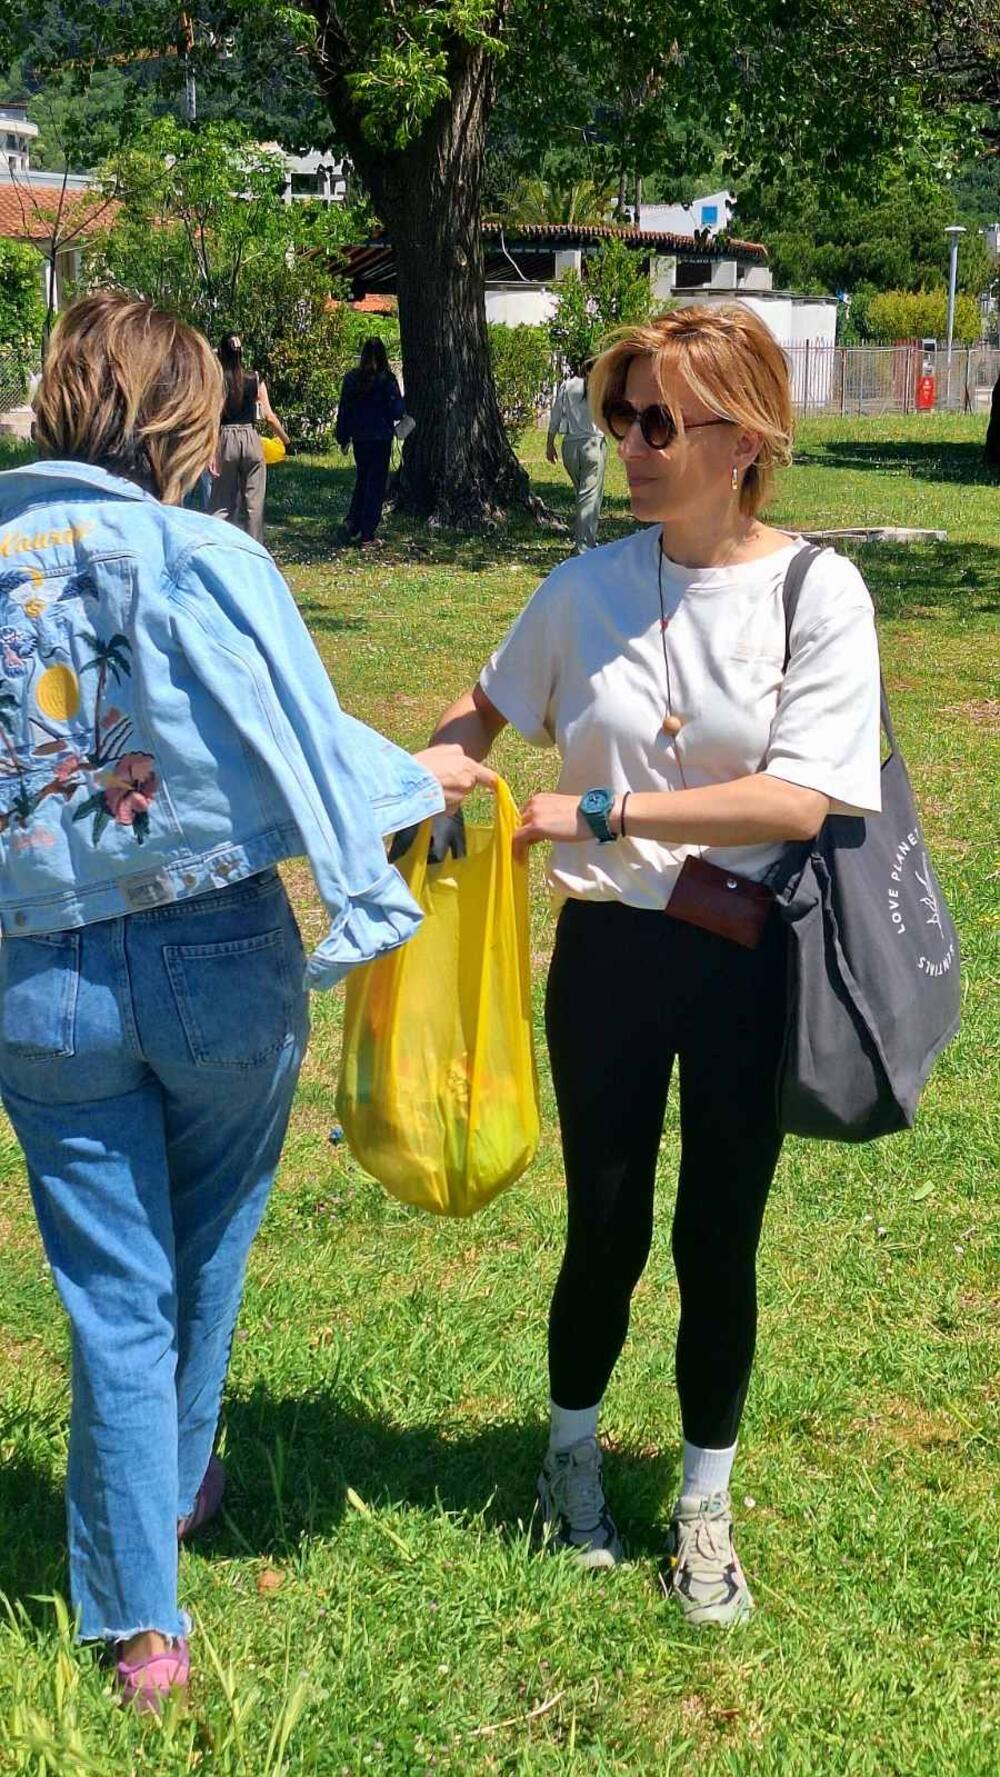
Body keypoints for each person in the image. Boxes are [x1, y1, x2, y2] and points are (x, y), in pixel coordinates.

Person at [1, 290, 490, 1712]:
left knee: (111, 1292)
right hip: (217, 951)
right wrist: (419, 780)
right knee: (207, 1249)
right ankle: (168, 1495)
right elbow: (292, 733)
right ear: (178, 417)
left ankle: (141, 1630)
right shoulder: (205, 551)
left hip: (38, 971)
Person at [430, 305, 882, 1627]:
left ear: (748, 438)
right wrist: (413, 768)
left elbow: (802, 800)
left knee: (718, 1237)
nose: (629, 442)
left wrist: (608, 812)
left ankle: (703, 1508)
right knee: (606, 1226)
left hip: (748, 950)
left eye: (660, 419)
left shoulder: (820, 592)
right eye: (620, 413)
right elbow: (485, 710)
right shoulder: (586, 589)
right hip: (614, 951)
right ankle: (569, 1464)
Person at [207, 333, 289, 544]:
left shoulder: (217, 380)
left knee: (222, 502)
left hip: (225, 439)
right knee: (254, 505)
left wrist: (210, 451)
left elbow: (212, 417)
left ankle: (219, 545)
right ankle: (256, 549)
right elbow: (269, 416)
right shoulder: (255, 378)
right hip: (251, 438)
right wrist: (286, 440)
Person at [335, 337, 404, 547]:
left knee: (362, 479)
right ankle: (367, 533)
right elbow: (397, 410)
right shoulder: (387, 381)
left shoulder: (352, 379)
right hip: (381, 437)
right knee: (375, 484)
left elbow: (344, 410)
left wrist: (343, 436)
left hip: (360, 438)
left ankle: (352, 522)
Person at [546, 359, 607, 551]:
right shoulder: (599, 387)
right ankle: (584, 546)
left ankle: (584, 539)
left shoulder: (567, 385)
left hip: (570, 446)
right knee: (589, 497)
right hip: (593, 444)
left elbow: (555, 414)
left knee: (582, 494)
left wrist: (550, 443)